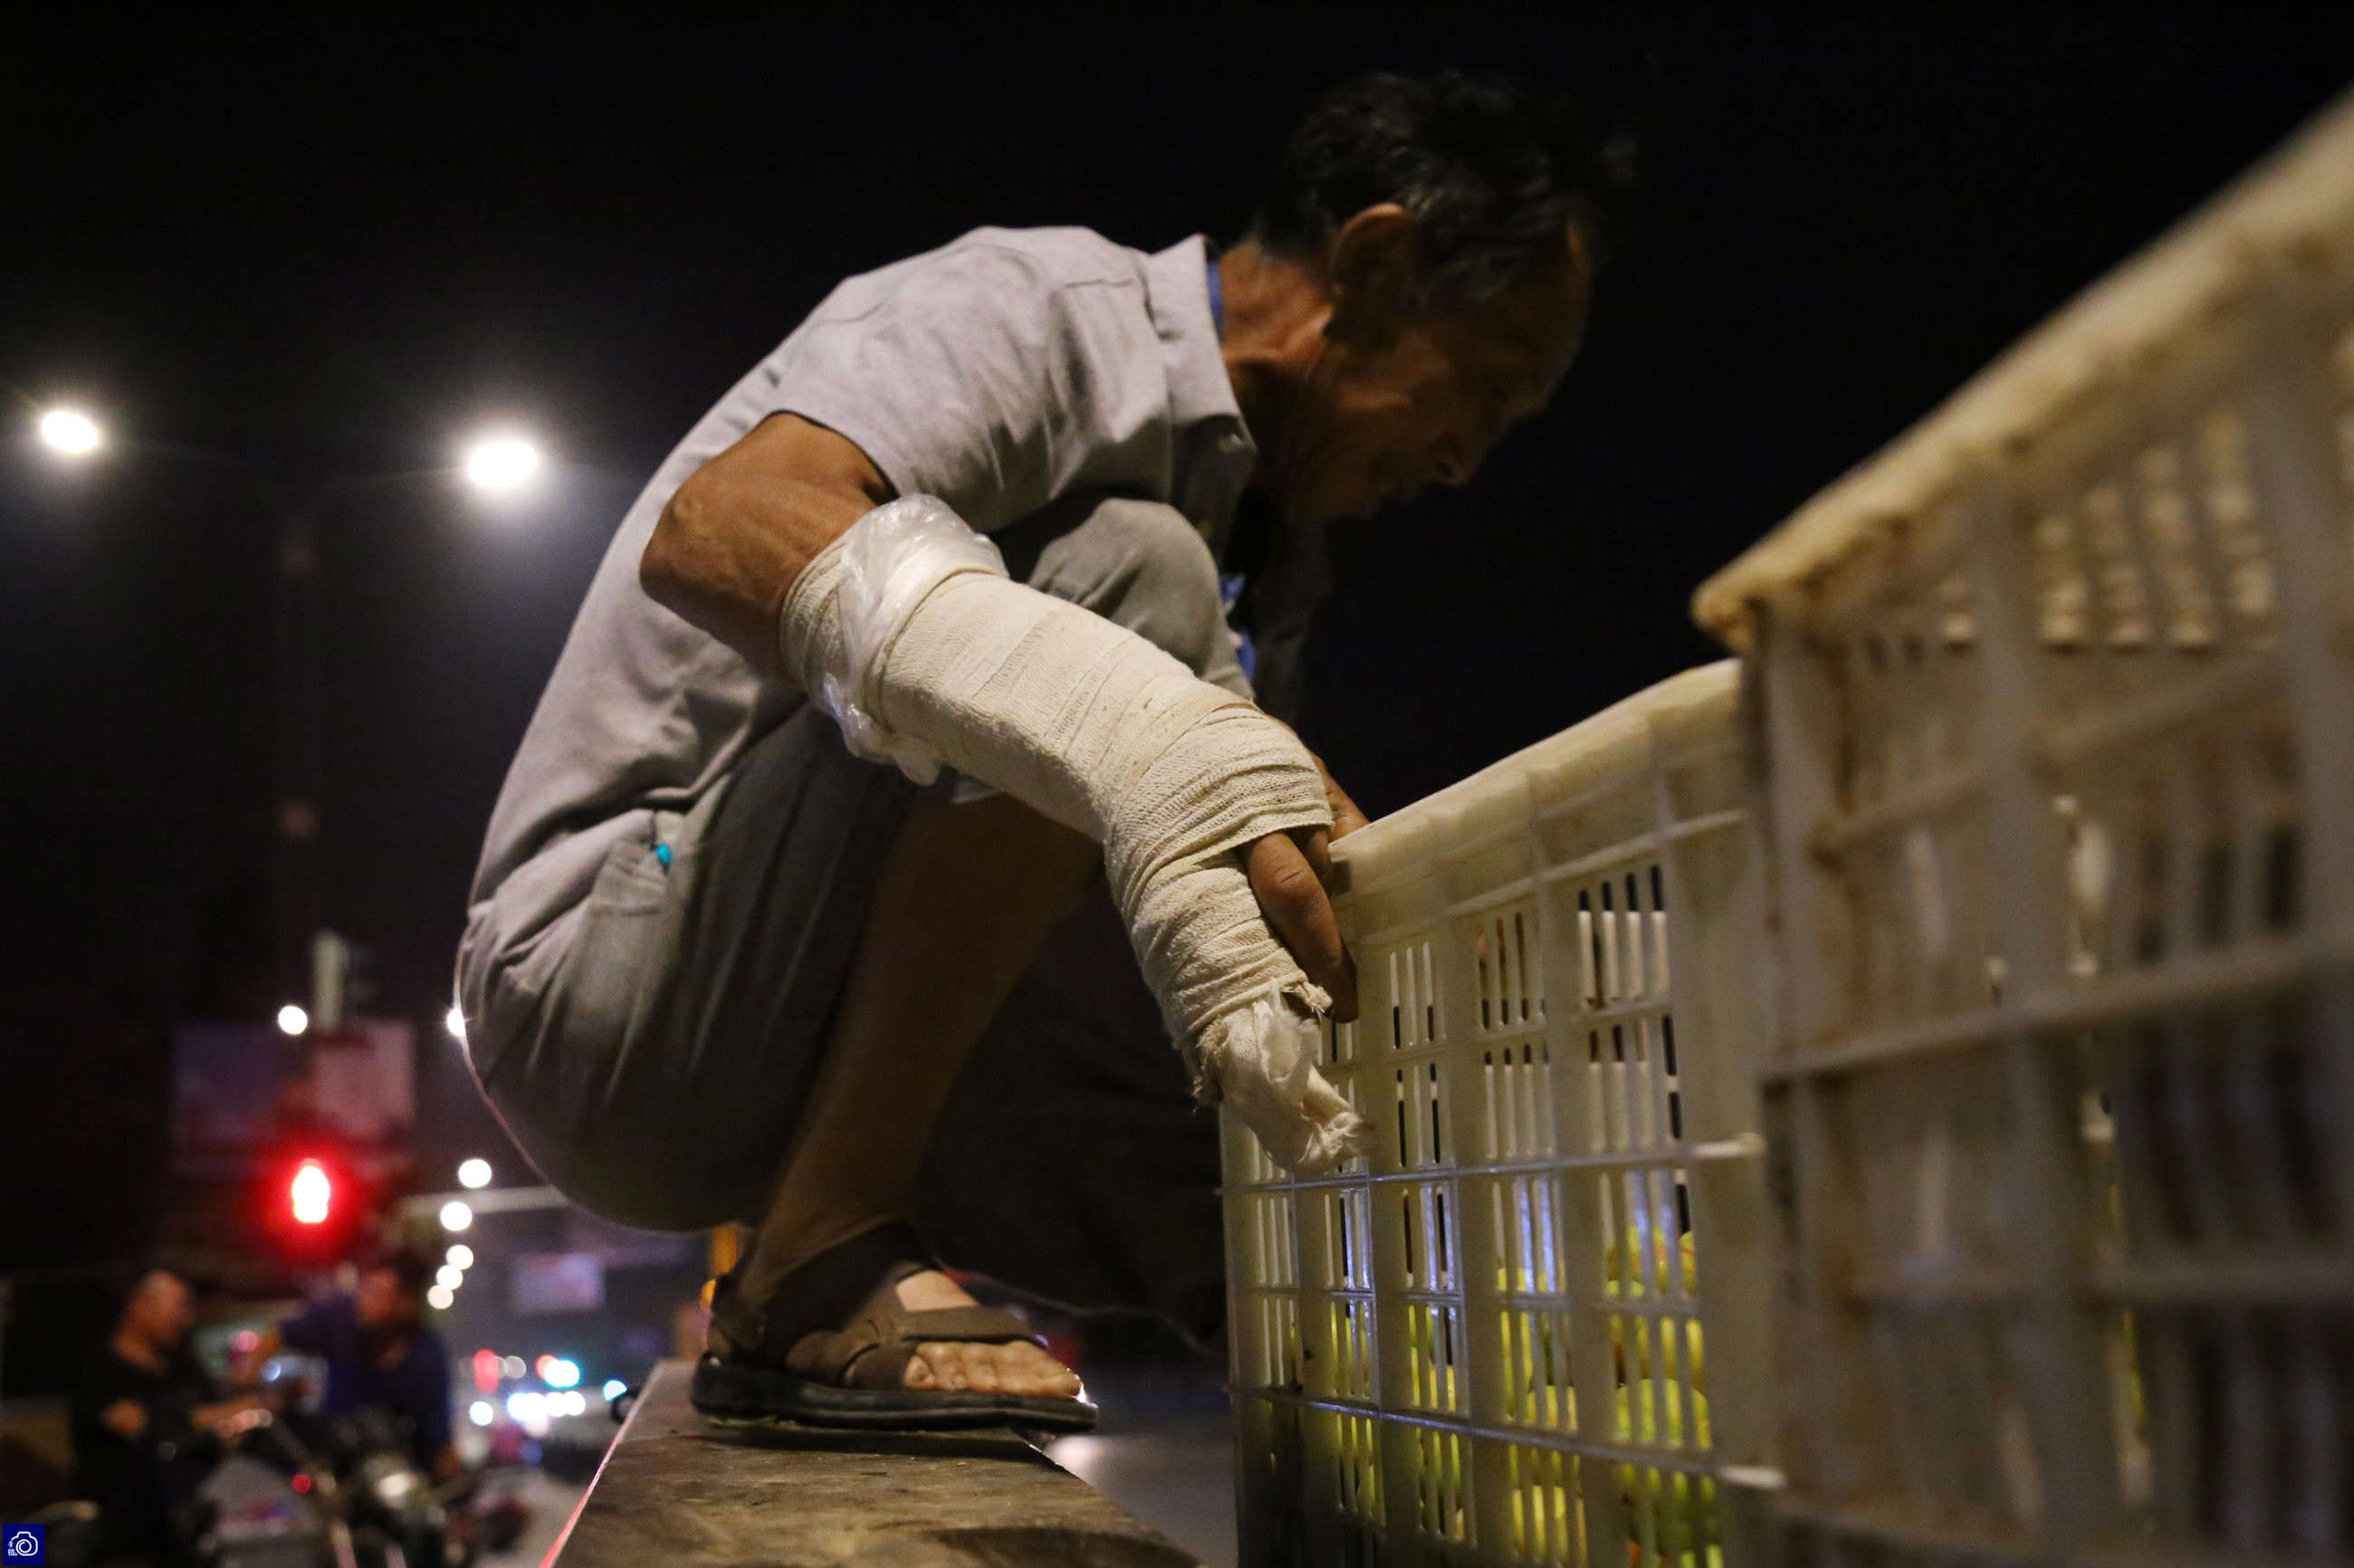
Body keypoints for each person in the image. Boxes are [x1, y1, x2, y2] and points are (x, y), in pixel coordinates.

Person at [456, 69, 1626, 1429]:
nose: (1465, 462)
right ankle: (823, 1248)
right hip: (607, 996)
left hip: (801, 1026)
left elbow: (1090, 873)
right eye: (1480, 389)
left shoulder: (1272, 546)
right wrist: (1141, 726)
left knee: (1284, 1219)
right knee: (1137, 581)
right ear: (1372, 260)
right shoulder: (1041, 316)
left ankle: (1341, 1364)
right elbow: (716, 526)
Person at [71, 1270, 259, 1565]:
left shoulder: (183, 1366)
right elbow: (139, 1424)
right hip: (128, 1538)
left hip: (202, 1524)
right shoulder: (101, 1369)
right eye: (179, 1307)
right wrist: (222, 1414)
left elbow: (227, 1415)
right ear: (140, 1306)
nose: (187, 1319)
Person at [234, 1251, 457, 1477]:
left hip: (395, 1469)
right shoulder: (340, 1316)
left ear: (407, 1304)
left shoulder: (428, 1355)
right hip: (334, 1455)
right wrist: (247, 1376)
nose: (365, 1300)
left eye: (379, 1293)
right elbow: (282, 1333)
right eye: (366, 1289)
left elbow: (438, 1437)